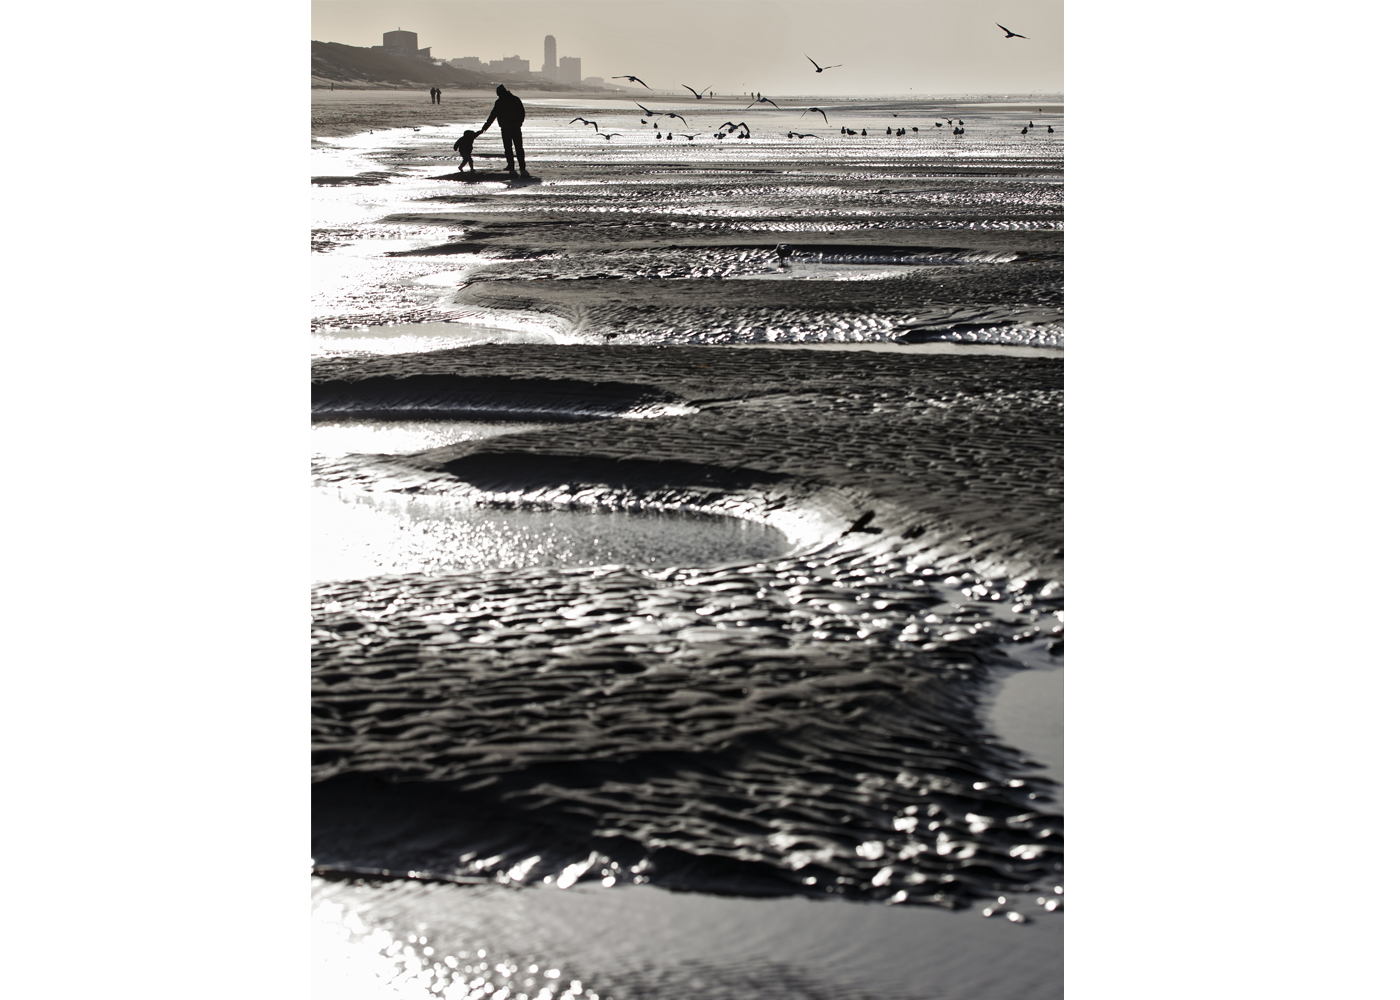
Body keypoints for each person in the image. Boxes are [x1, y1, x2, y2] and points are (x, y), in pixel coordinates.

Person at [481, 84, 528, 178]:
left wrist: (485, 127)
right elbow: (522, 112)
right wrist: (520, 122)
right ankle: (522, 167)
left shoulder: (500, 101)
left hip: (506, 127)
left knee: (508, 148)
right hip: (515, 126)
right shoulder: (515, 99)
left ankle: (511, 166)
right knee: (519, 147)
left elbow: (493, 115)